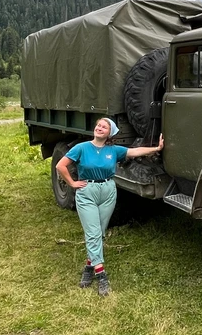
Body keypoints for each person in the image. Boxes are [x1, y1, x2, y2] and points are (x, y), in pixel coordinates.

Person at [55, 117, 163, 296]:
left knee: (100, 232)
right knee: (93, 233)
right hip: (87, 192)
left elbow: (135, 152)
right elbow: (61, 165)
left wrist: (157, 148)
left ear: (110, 133)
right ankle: (101, 274)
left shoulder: (114, 151)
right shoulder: (81, 148)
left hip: (108, 191)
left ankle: (89, 267)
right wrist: (72, 183)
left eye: (104, 127)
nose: (99, 128)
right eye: (98, 125)